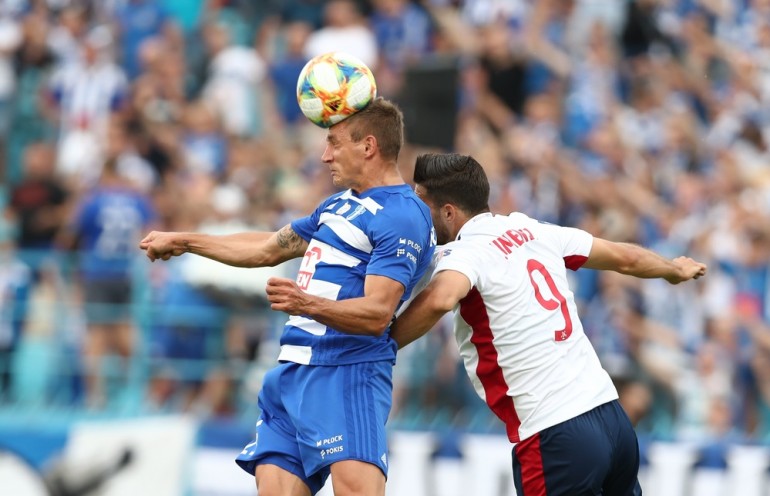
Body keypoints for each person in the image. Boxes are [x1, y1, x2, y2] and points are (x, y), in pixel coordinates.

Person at [139, 97, 435, 496]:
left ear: (368, 146)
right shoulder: (338, 205)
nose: (325, 155)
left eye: (334, 143)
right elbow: (268, 248)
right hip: (292, 371)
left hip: (345, 372)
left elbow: (377, 314)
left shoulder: (401, 215)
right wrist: (187, 241)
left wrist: (305, 303)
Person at [390, 153, 707, 496]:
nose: (416, 214)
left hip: (555, 434)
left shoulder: (467, 252)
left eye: (422, 202)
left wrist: (383, 345)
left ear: (449, 212)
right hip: (611, 420)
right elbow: (624, 257)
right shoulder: (532, 229)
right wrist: (673, 270)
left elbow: (440, 298)